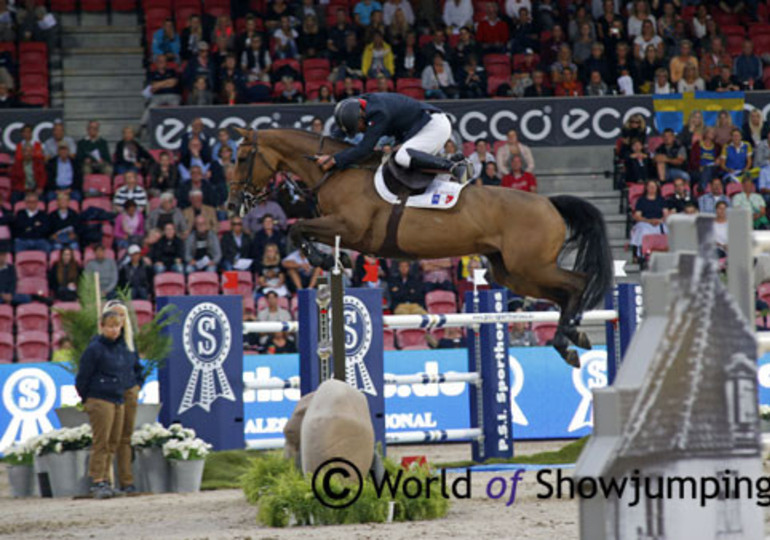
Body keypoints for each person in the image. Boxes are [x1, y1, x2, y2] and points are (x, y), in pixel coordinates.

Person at [316, 92, 468, 186]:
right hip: (420, 127)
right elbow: (343, 126)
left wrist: (334, 159)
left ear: (361, 116)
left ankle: (453, 166)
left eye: (358, 128)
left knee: (403, 156)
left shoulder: (378, 113)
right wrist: (324, 145)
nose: (360, 131)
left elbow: (365, 149)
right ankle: (450, 168)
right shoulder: (357, 105)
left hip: (432, 126)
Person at [75, 310, 139, 499]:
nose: (114, 330)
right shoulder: (94, 349)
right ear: (102, 327)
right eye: (110, 326)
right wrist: (87, 398)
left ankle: (106, 479)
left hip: (118, 398)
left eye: (117, 326)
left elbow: (131, 369)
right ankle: (97, 480)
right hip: (100, 398)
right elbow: (83, 377)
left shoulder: (122, 348)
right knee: (101, 441)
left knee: (113, 441)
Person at [100, 300, 143, 495]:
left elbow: (137, 367)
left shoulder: (129, 343)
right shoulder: (102, 344)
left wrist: (136, 385)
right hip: (110, 394)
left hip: (129, 390)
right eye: (115, 314)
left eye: (122, 315)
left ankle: (127, 481)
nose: (120, 319)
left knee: (126, 438)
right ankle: (104, 479)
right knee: (110, 438)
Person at [630, 179, 668, 258]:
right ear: (646, 188)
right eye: (650, 186)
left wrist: (660, 220)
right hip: (645, 222)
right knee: (643, 231)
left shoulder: (661, 200)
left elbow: (666, 214)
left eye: (654, 187)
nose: (652, 188)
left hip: (659, 222)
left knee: (666, 229)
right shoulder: (641, 200)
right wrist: (649, 221)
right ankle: (642, 254)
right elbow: (637, 216)